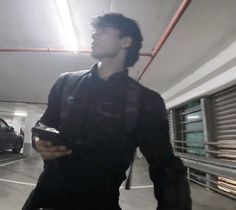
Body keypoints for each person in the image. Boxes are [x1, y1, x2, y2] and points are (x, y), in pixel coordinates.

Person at [23, 13, 192, 210]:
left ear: (125, 41)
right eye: (95, 32)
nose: (94, 36)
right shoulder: (66, 82)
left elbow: (166, 168)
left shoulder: (145, 101)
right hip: (43, 200)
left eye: (103, 31)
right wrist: (37, 141)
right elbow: (44, 123)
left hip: (100, 203)